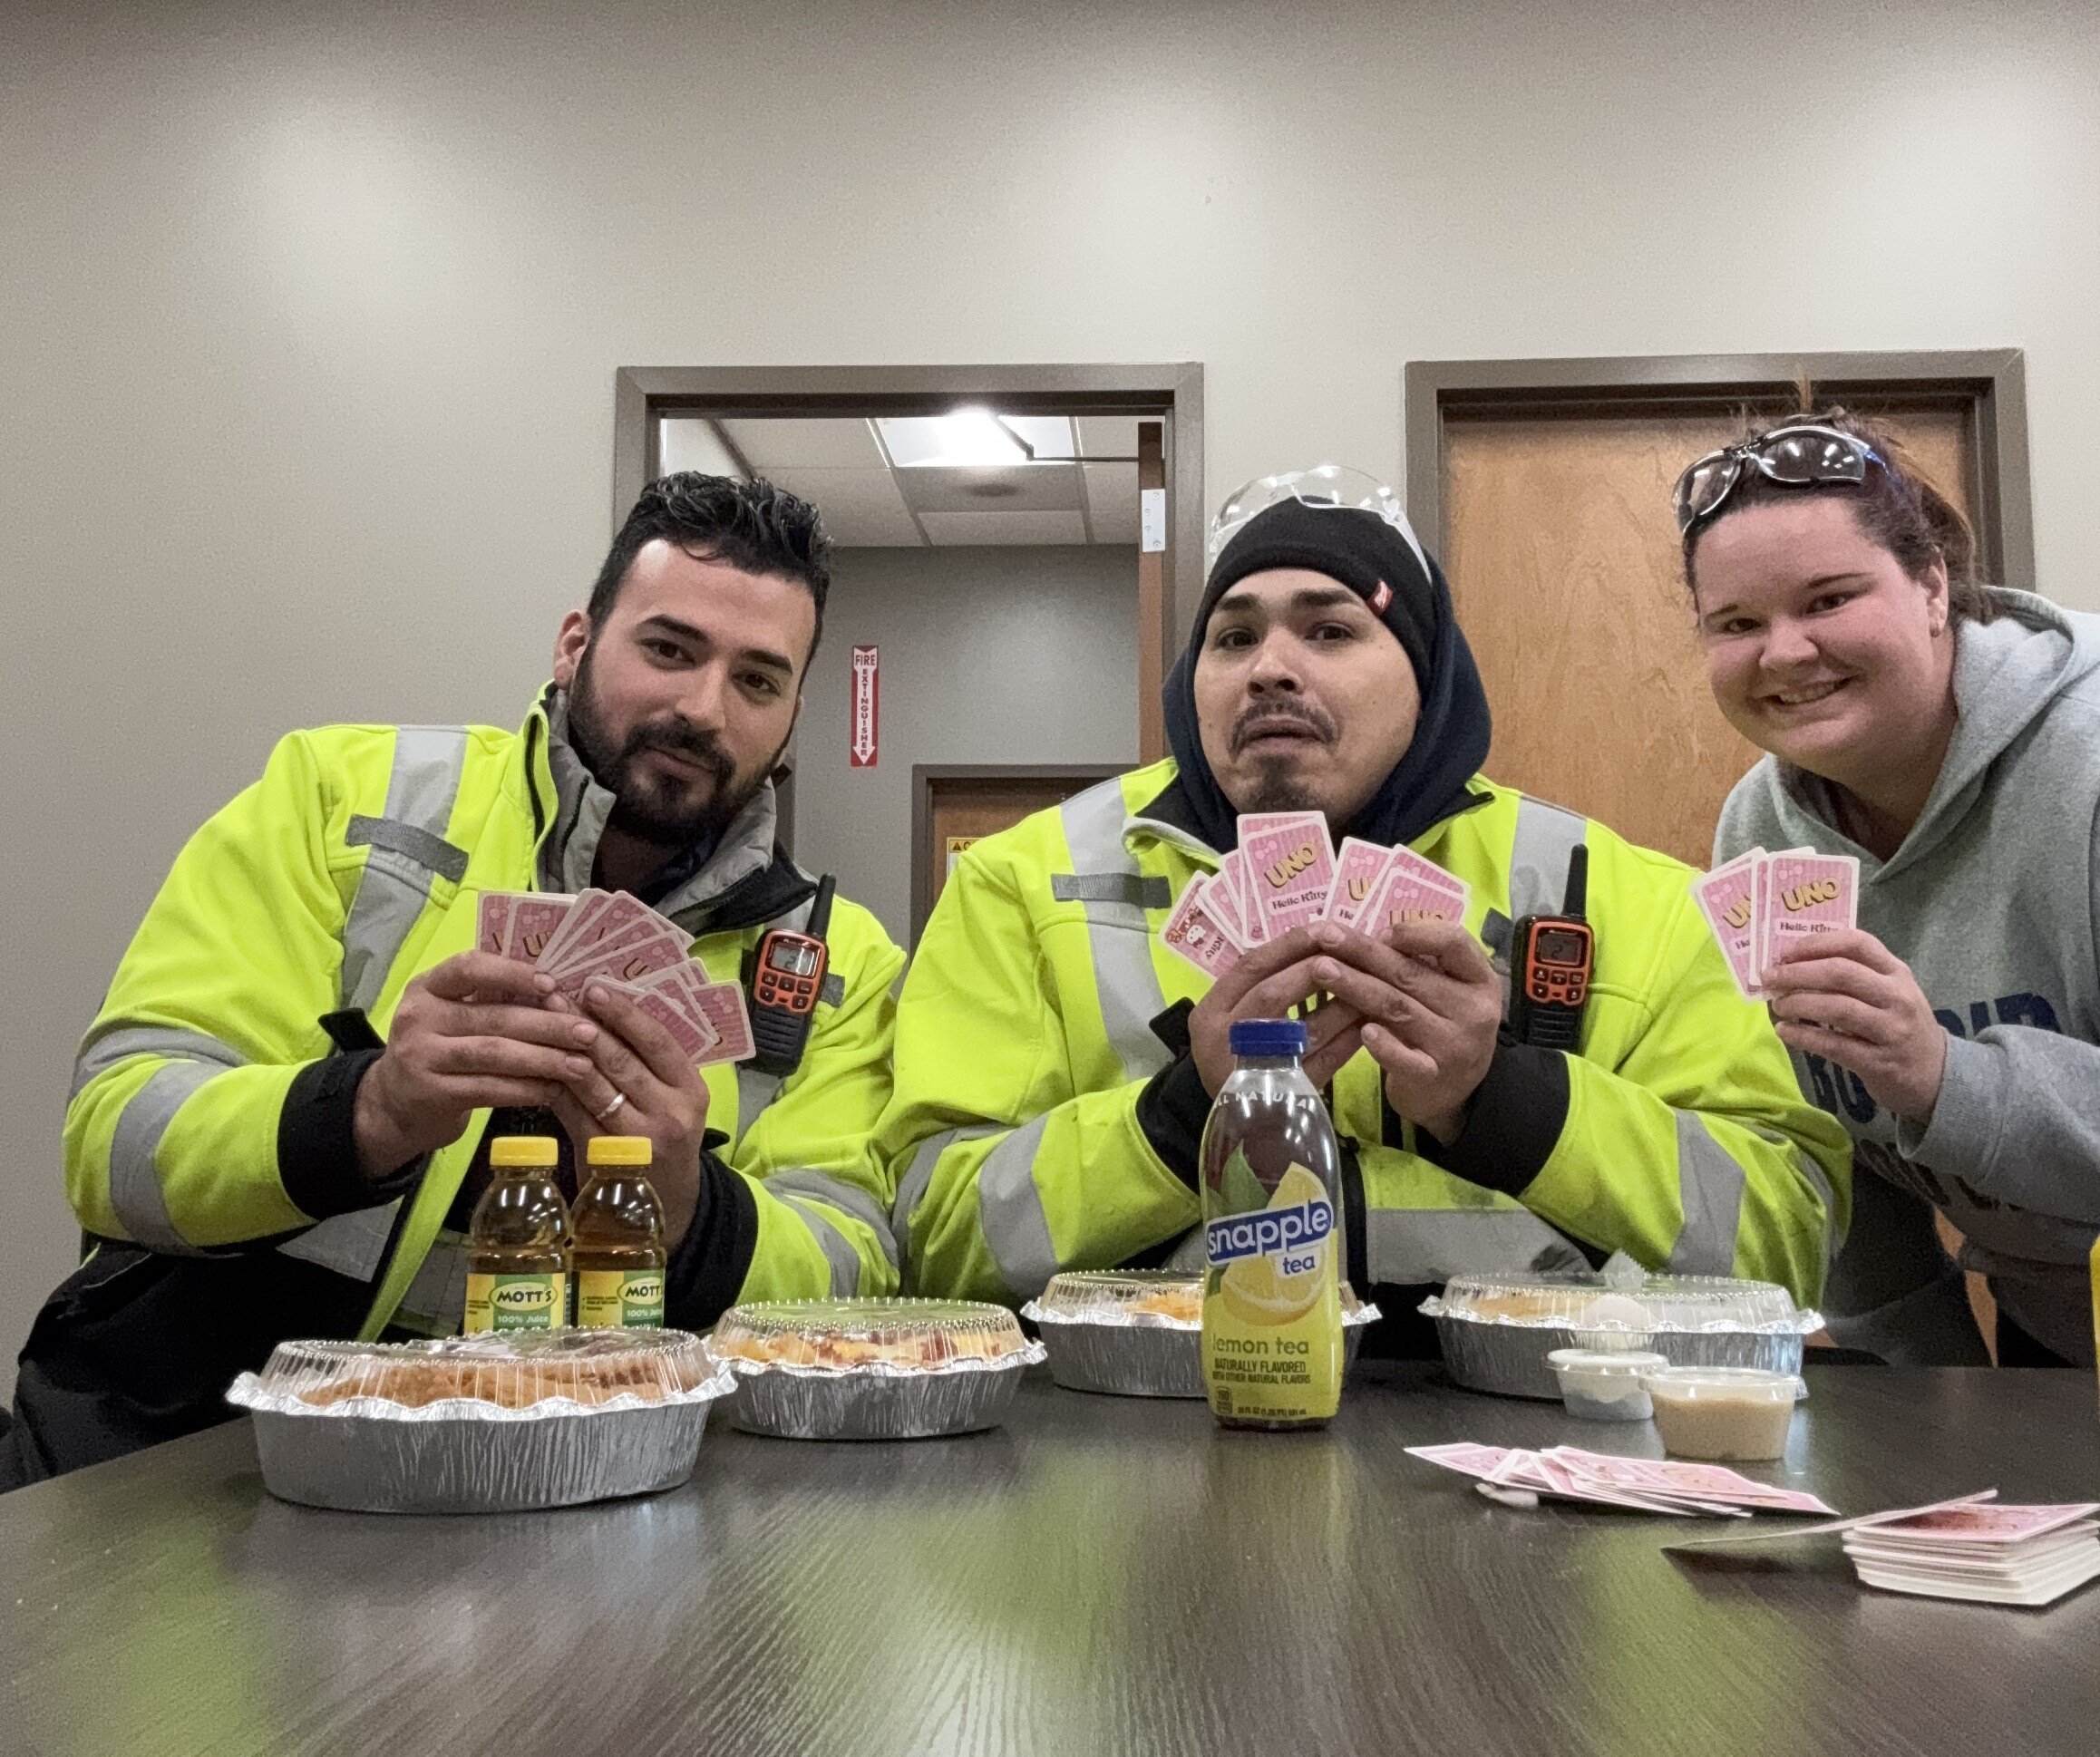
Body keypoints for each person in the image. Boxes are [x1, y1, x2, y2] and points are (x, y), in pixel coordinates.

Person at [7, 472, 903, 1483]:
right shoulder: (341, 795)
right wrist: (365, 1111)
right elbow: (113, 1137)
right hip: (191, 1447)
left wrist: (690, 1203)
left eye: (757, 680)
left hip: (593, 1487)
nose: (702, 708)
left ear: (792, 717)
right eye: (668, 649)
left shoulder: (838, 962)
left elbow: (852, 1267)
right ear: (575, 644)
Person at [880, 466, 1848, 1344]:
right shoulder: (1018, 881)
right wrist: (1182, 1119)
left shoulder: (1624, 896)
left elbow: (1783, 1241)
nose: (1269, 667)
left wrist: (1505, 1104)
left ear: (1426, 678)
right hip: (1126, 1449)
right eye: (1233, 636)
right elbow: (931, 1245)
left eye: (1332, 629)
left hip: (1529, 1459)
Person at [1685, 413, 2100, 1368]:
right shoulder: (1759, 835)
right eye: (1737, 623)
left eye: (1829, 600)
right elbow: (1834, 1164)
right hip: (2049, 1332)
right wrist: (1930, 1401)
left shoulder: (2086, 762)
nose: (1783, 653)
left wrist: (1949, 1079)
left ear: (1931, 587)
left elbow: (1932, 1084)